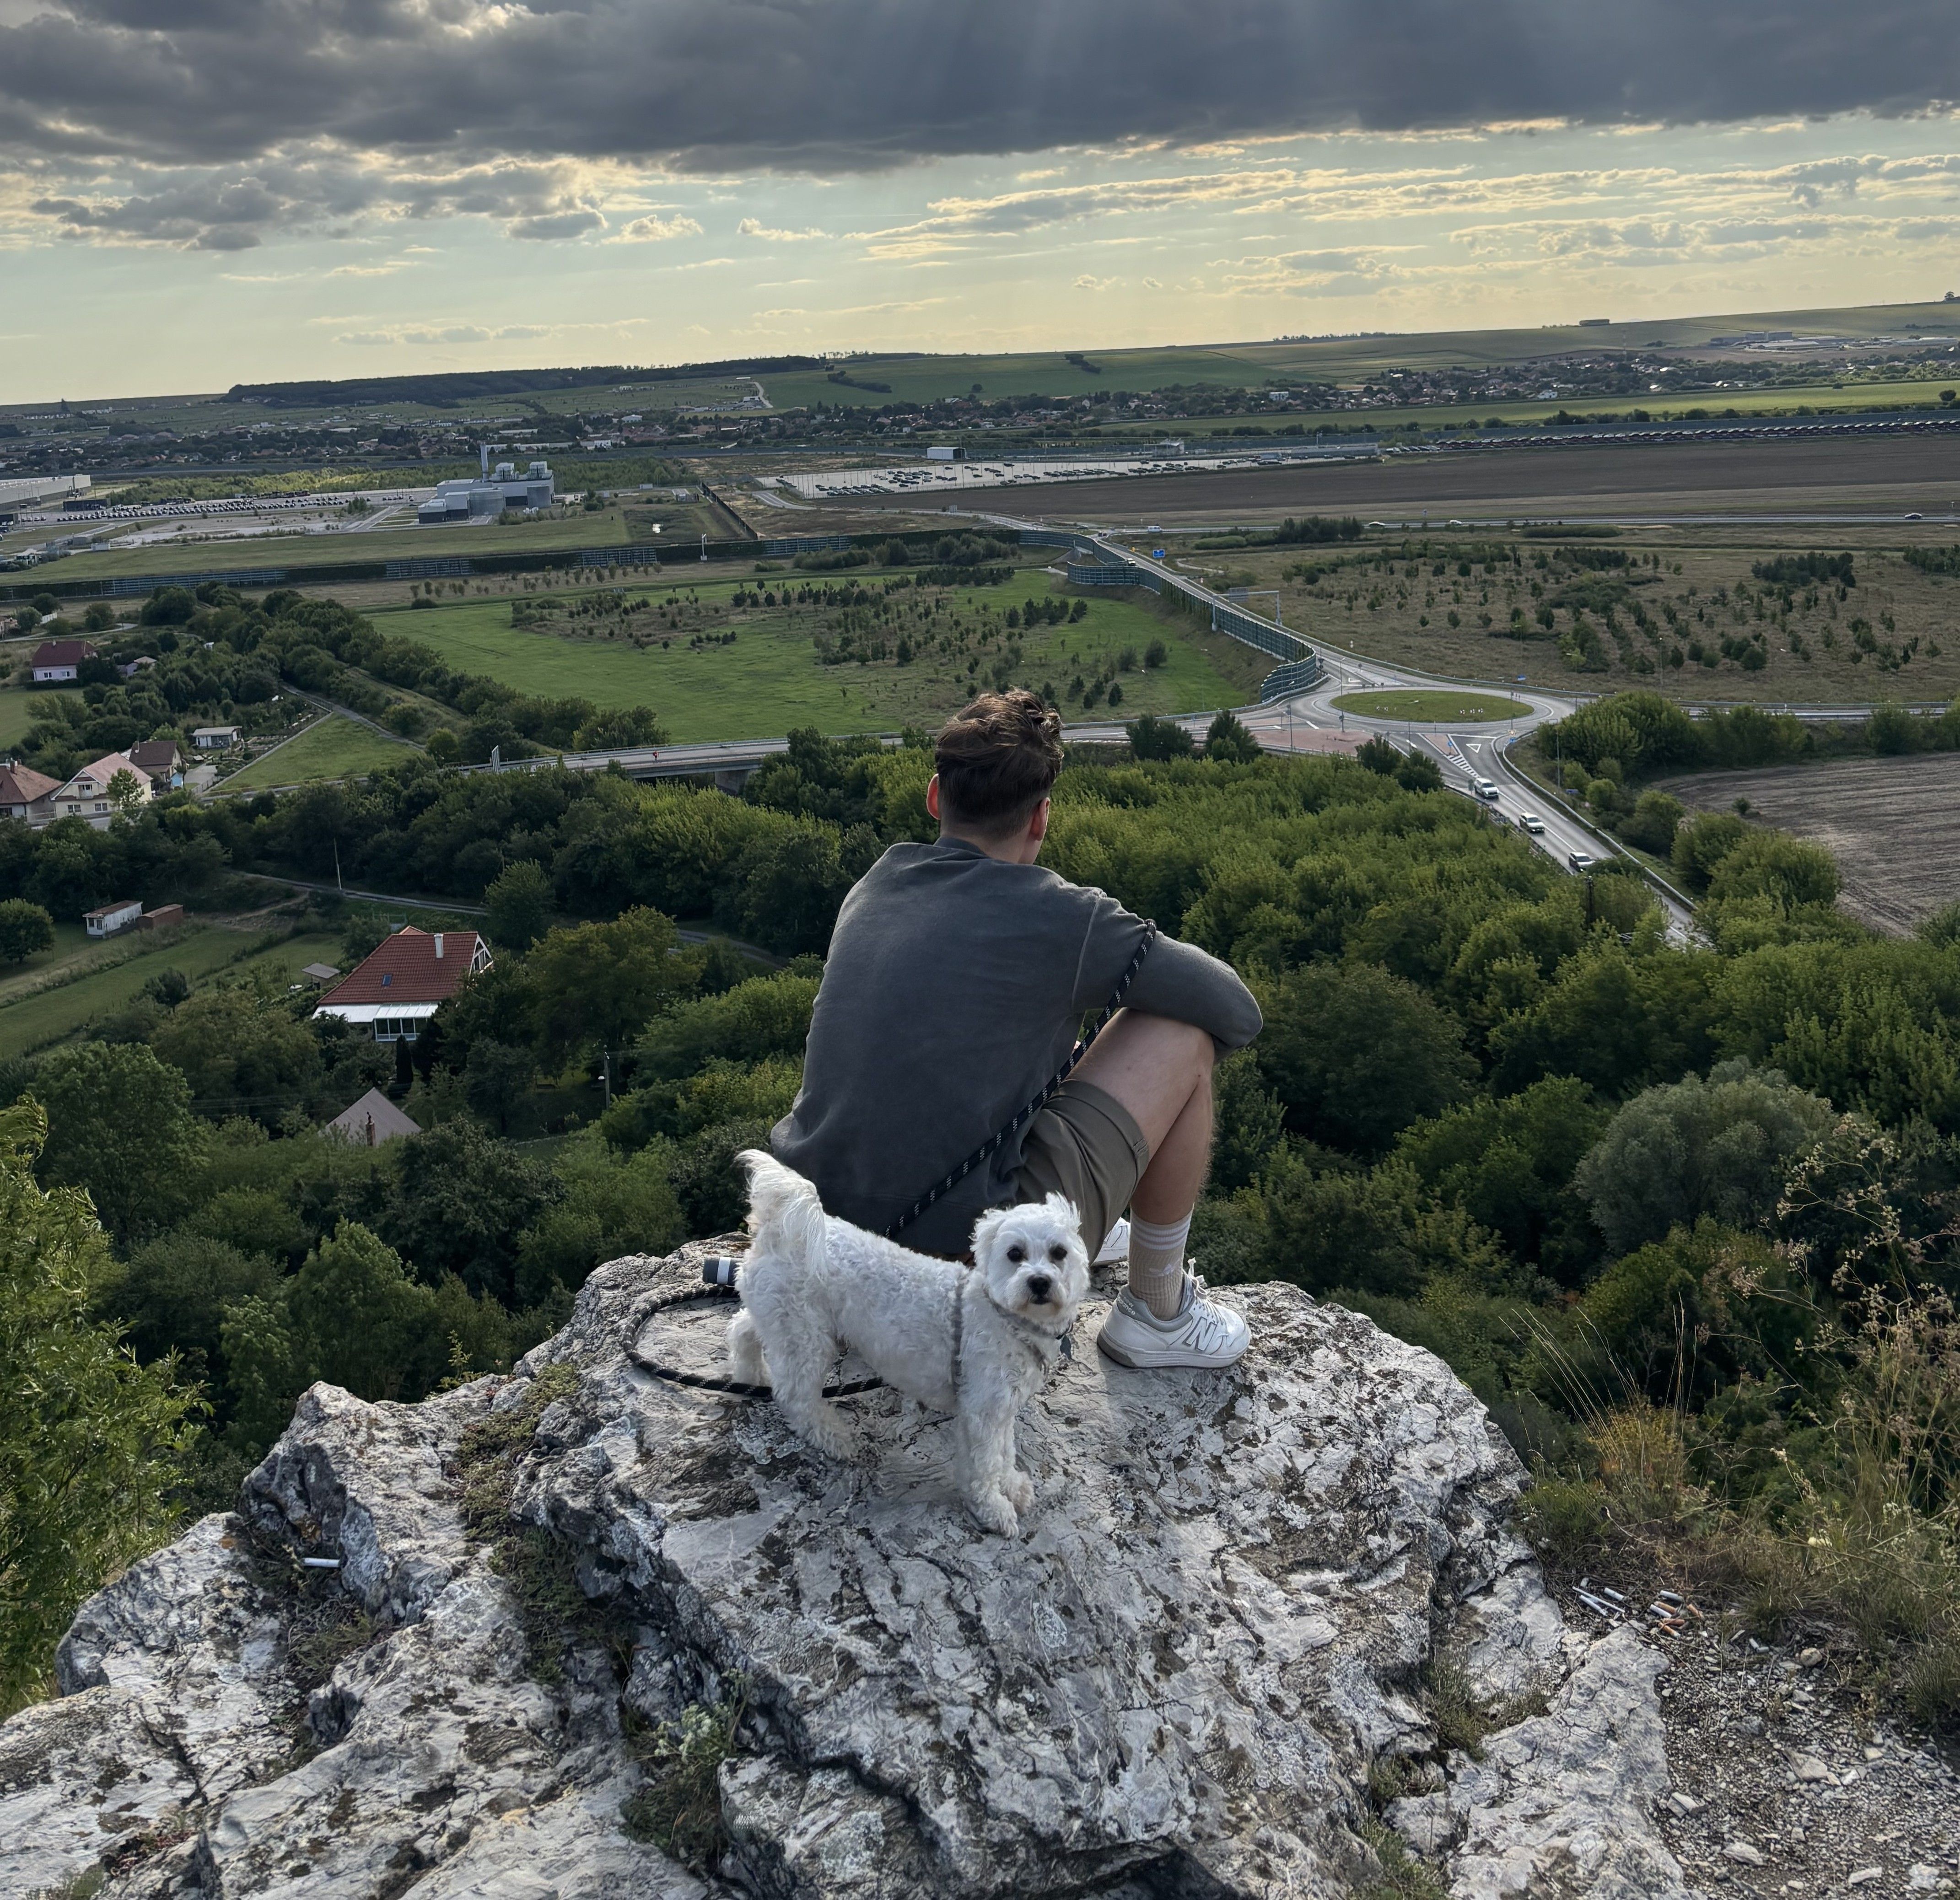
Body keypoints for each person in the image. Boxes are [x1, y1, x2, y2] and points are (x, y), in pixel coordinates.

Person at [770, 688, 1263, 1369]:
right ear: (1041, 818)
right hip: (966, 1257)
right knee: (1183, 1037)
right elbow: (1236, 1009)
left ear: (935, 799)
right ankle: (1157, 1310)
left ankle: (1095, 1216)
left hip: (825, 1238)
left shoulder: (877, 882)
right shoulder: (1065, 919)